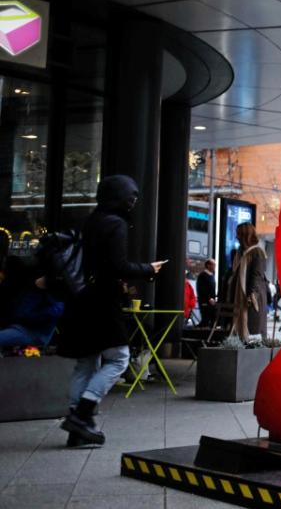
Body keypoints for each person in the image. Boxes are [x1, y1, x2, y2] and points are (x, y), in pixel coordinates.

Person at [56, 175, 166, 448]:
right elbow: (117, 266)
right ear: (123, 197)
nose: (134, 202)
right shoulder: (115, 224)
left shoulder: (90, 221)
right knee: (119, 358)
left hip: (80, 300)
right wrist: (147, 269)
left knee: (86, 362)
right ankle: (82, 414)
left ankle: (76, 429)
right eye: (132, 197)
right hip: (103, 301)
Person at [226, 222, 269, 343]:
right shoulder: (240, 253)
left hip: (251, 300)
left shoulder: (257, 252)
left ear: (246, 235)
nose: (237, 237)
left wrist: (252, 295)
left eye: (239, 234)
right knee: (242, 333)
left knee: (253, 333)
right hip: (239, 300)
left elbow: (257, 275)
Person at [196, 258, 217, 328]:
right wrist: (209, 299)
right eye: (213, 265)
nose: (215, 266)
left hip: (212, 302)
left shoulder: (212, 275)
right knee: (205, 320)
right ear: (208, 265)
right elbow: (201, 289)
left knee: (213, 320)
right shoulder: (202, 275)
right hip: (205, 302)